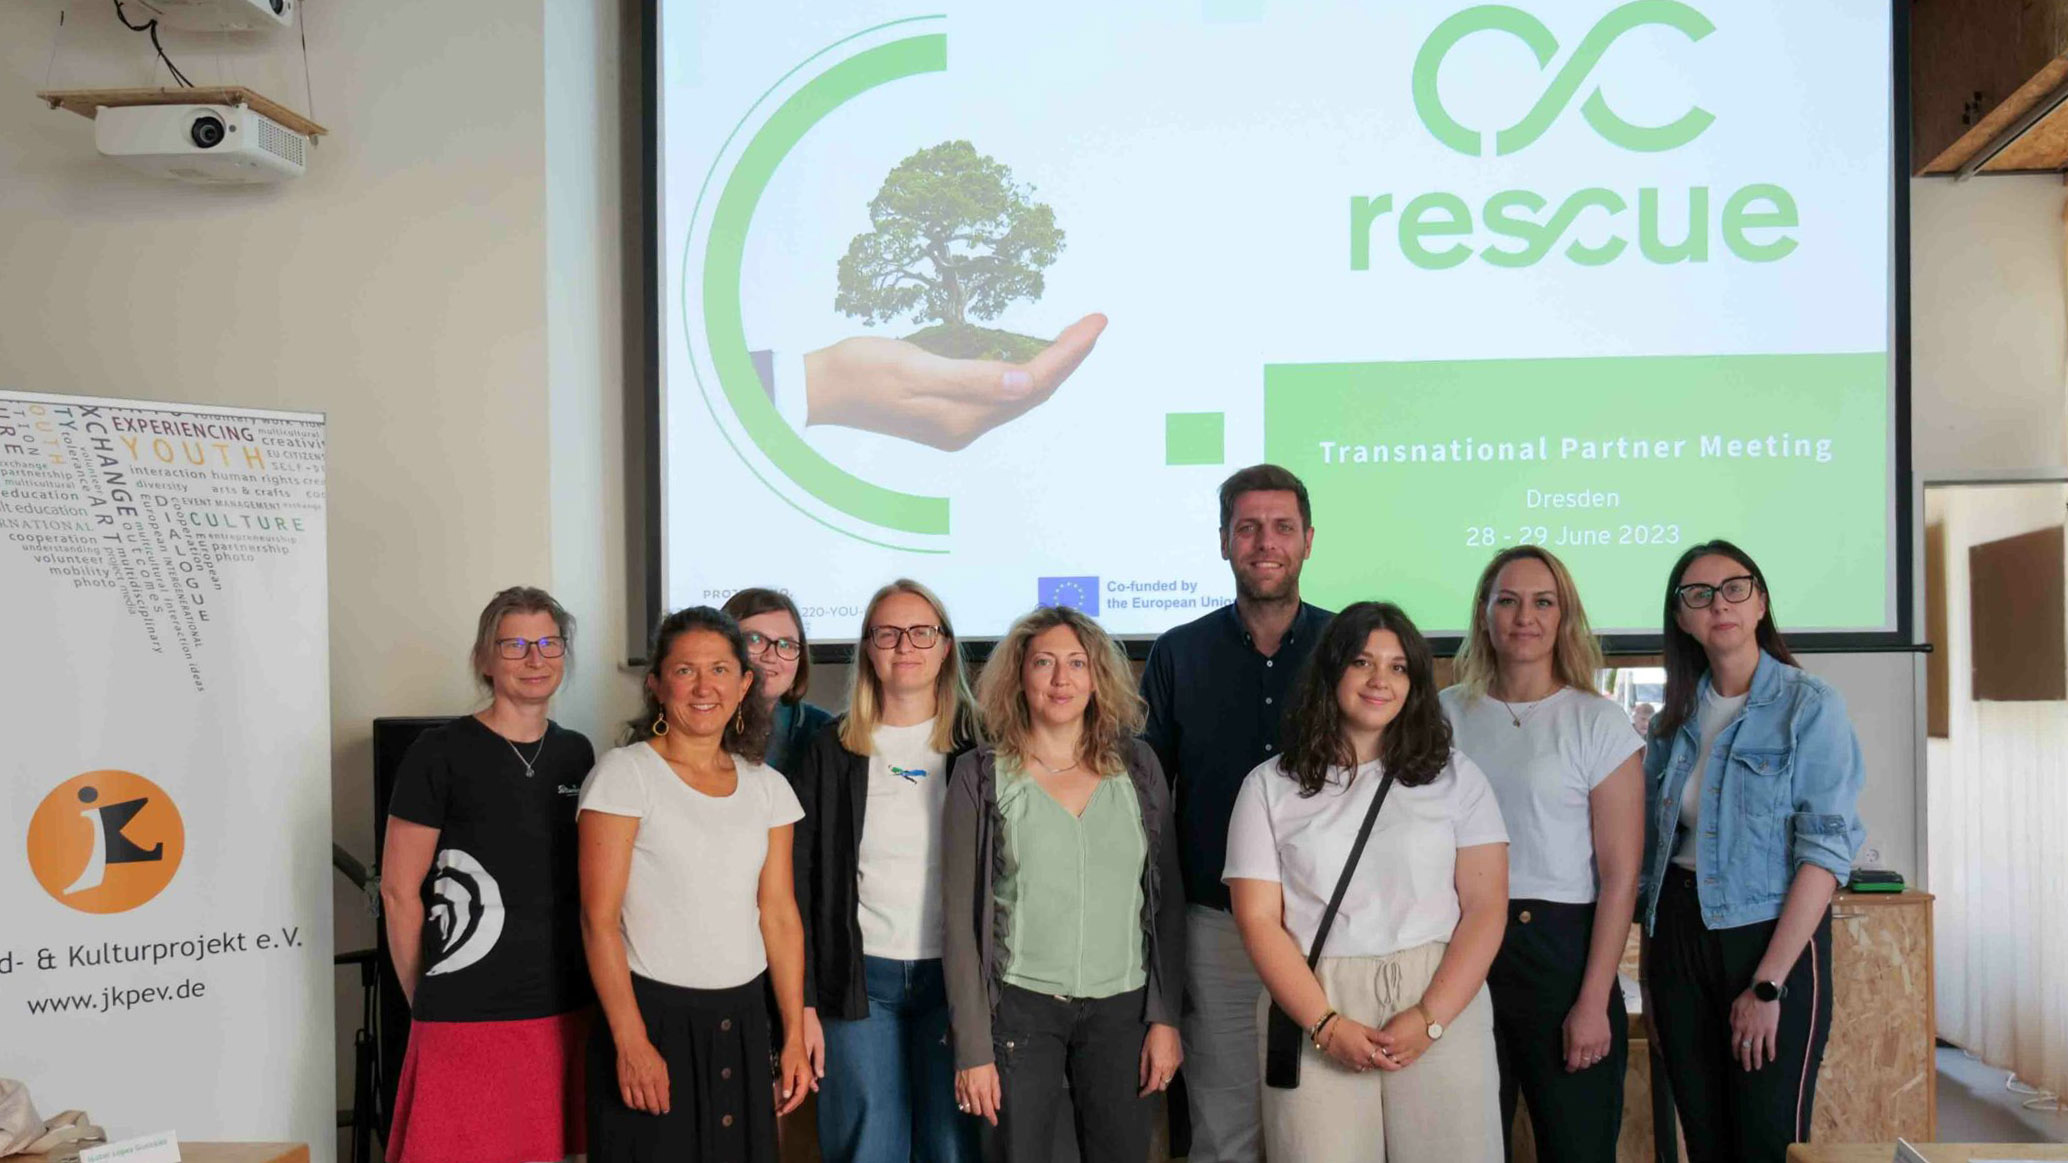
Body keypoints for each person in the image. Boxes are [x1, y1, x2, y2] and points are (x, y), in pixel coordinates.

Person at [1226, 601, 1510, 1163]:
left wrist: (1429, 1019)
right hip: (1315, 998)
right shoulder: (1269, 786)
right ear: (1331, 671)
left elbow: (1485, 907)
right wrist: (1326, 1025)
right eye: (1362, 662)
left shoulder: (1457, 777)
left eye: (1398, 667)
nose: (1381, 680)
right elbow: (1257, 920)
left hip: (1440, 994)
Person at [1638, 541, 1865, 1163]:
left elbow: (1824, 854)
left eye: (1735, 588)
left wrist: (1768, 986)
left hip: (1767, 939)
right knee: (1705, 1142)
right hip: (1679, 937)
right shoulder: (1671, 721)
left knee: (1767, 1144)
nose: (1720, 604)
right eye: (1699, 594)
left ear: (1760, 603)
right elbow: (1654, 857)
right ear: (1681, 617)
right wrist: (1653, 979)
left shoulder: (1809, 705)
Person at [941, 606, 1188, 1161]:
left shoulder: (1139, 767)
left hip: (1124, 1012)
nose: (1061, 679)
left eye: (1077, 663)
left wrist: (1165, 1018)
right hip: (1018, 1012)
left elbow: (1166, 904)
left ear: (1098, 677)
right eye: (1043, 662)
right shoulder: (980, 774)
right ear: (1018, 676)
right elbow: (958, 923)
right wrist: (973, 1050)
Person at [1139, 463, 1332, 1163]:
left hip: (1330, 929)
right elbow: (1148, 794)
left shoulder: (1349, 650)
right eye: (1248, 528)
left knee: (1324, 1131)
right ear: (1224, 541)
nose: (1265, 542)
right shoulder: (1177, 654)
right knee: (1224, 1133)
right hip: (1216, 929)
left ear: (1308, 540)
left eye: (1282, 527)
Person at [577, 606, 812, 1163]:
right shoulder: (624, 775)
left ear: (744, 684)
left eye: (720, 670)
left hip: (745, 1020)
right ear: (657, 684)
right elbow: (598, 922)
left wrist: (793, 1037)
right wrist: (631, 1042)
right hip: (651, 1021)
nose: (704, 688)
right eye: (685, 671)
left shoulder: (768, 787)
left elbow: (779, 916)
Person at [1441, 548, 1644, 1163]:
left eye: (1542, 602)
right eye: (1507, 600)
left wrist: (1593, 1000)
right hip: (1461, 949)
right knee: (1468, 1148)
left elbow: (1620, 878)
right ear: (1484, 614)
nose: (1524, 616)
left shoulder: (1598, 723)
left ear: (1564, 616)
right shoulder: (1442, 714)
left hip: (1563, 958)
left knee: (1577, 1146)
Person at [381, 586, 597, 1163]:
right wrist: (424, 997)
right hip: (466, 1010)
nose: (535, 658)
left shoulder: (578, 754)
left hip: (565, 1006)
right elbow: (398, 891)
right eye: (515, 645)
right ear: (484, 658)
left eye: (549, 643)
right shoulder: (439, 752)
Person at [793, 580, 982, 1163]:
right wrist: (802, 1002)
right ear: (868, 649)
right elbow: (799, 884)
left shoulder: (983, 746)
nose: (905, 646)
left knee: (951, 1147)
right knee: (867, 1145)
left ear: (945, 647)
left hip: (956, 982)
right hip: (858, 982)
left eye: (921, 632)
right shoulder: (830, 749)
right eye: (888, 633)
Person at [722, 587, 834, 776]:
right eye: (755, 640)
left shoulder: (822, 731)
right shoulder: (697, 722)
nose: (771, 656)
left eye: (786, 645)